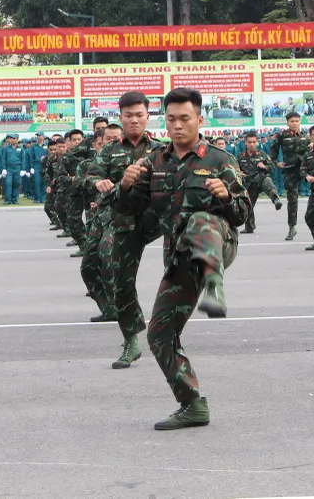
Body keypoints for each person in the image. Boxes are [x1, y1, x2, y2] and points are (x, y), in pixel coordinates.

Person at [117, 88, 249, 430]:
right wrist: (126, 187)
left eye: (185, 119)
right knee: (159, 333)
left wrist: (225, 196)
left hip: (218, 245)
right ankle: (192, 405)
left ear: (200, 120)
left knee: (201, 220)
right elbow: (130, 211)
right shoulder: (154, 162)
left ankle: (214, 287)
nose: (177, 126)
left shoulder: (220, 160)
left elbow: (243, 214)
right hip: (179, 257)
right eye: (171, 119)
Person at [87, 91, 162, 369]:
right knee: (120, 280)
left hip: (155, 219)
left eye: (139, 115)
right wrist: (98, 183)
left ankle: (169, 332)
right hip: (123, 221)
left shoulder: (161, 150)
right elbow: (91, 174)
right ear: (120, 117)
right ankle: (131, 340)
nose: (134, 120)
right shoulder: (109, 150)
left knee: (181, 266)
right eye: (128, 115)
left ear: (147, 116)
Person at [80, 123, 123, 321]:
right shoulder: (99, 160)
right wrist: (97, 191)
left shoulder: (132, 158)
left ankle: (120, 306)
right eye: (108, 139)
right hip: (100, 216)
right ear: (101, 141)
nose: (112, 142)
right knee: (88, 267)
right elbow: (87, 179)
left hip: (121, 218)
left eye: (116, 138)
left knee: (108, 255)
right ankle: (108, 308)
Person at [270, 111, 310, 241]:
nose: (295, 123)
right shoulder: (282, 135)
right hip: (290, 170)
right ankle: (292, 227)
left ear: (300, 122)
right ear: (287, 123)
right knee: (292, 199)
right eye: (292, 121)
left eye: (297, 121)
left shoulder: (306, 136)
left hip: (305, 169)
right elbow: (274, 149)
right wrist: (276, 162)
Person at [237, 131, 283, 234]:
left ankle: (276, 199)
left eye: (254, 142)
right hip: (249, 183)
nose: (252, 144)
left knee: (268, 181)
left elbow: (272, 166)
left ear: (257, 142)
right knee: (248, 205)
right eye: (249, 142)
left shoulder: (262, 154)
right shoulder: (241, 156)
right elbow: (235, 168)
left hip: (261, 179)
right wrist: (239, 172)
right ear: (245, 143)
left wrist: (264, 166)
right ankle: (249, 227)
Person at [0, 134, 25, 205]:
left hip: (17, 168)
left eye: (13, 138)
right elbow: (4, 159)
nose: (12, 140)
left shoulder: (21, 149)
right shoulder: (6, 148)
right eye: (11, 138)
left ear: (17, 139)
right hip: (9, 169)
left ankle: (15, 199)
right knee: (8, 184)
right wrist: (4, 168)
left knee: (16, 184)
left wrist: (23, 169)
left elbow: (23, 159)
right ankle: (8, 199)